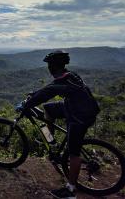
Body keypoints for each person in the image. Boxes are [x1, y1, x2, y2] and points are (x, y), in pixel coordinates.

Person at [23, 50, 100, 199]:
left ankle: (70, 191)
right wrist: (34, 94)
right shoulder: (69, 75)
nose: (48, 68)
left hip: (80, 116)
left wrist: (27, 104)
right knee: (48, 109)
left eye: (49, 65)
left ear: (53, 66)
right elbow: (49, 88)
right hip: (77, 107)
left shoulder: (63, 81)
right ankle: (50, 140)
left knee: (73, 153)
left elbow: (49, 91)